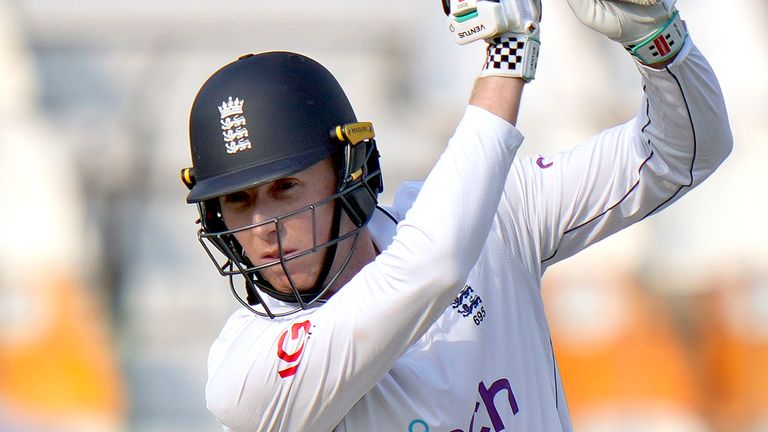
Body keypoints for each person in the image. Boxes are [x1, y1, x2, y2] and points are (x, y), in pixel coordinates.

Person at [180, 0, 731, 430]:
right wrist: (507, 57)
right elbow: (432, 267)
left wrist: (655, 36)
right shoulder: (243, 373)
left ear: (350, 171)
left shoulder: (491, 216)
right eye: (238, 201)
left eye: (285, 188)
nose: (263, 230)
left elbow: (687, 149)